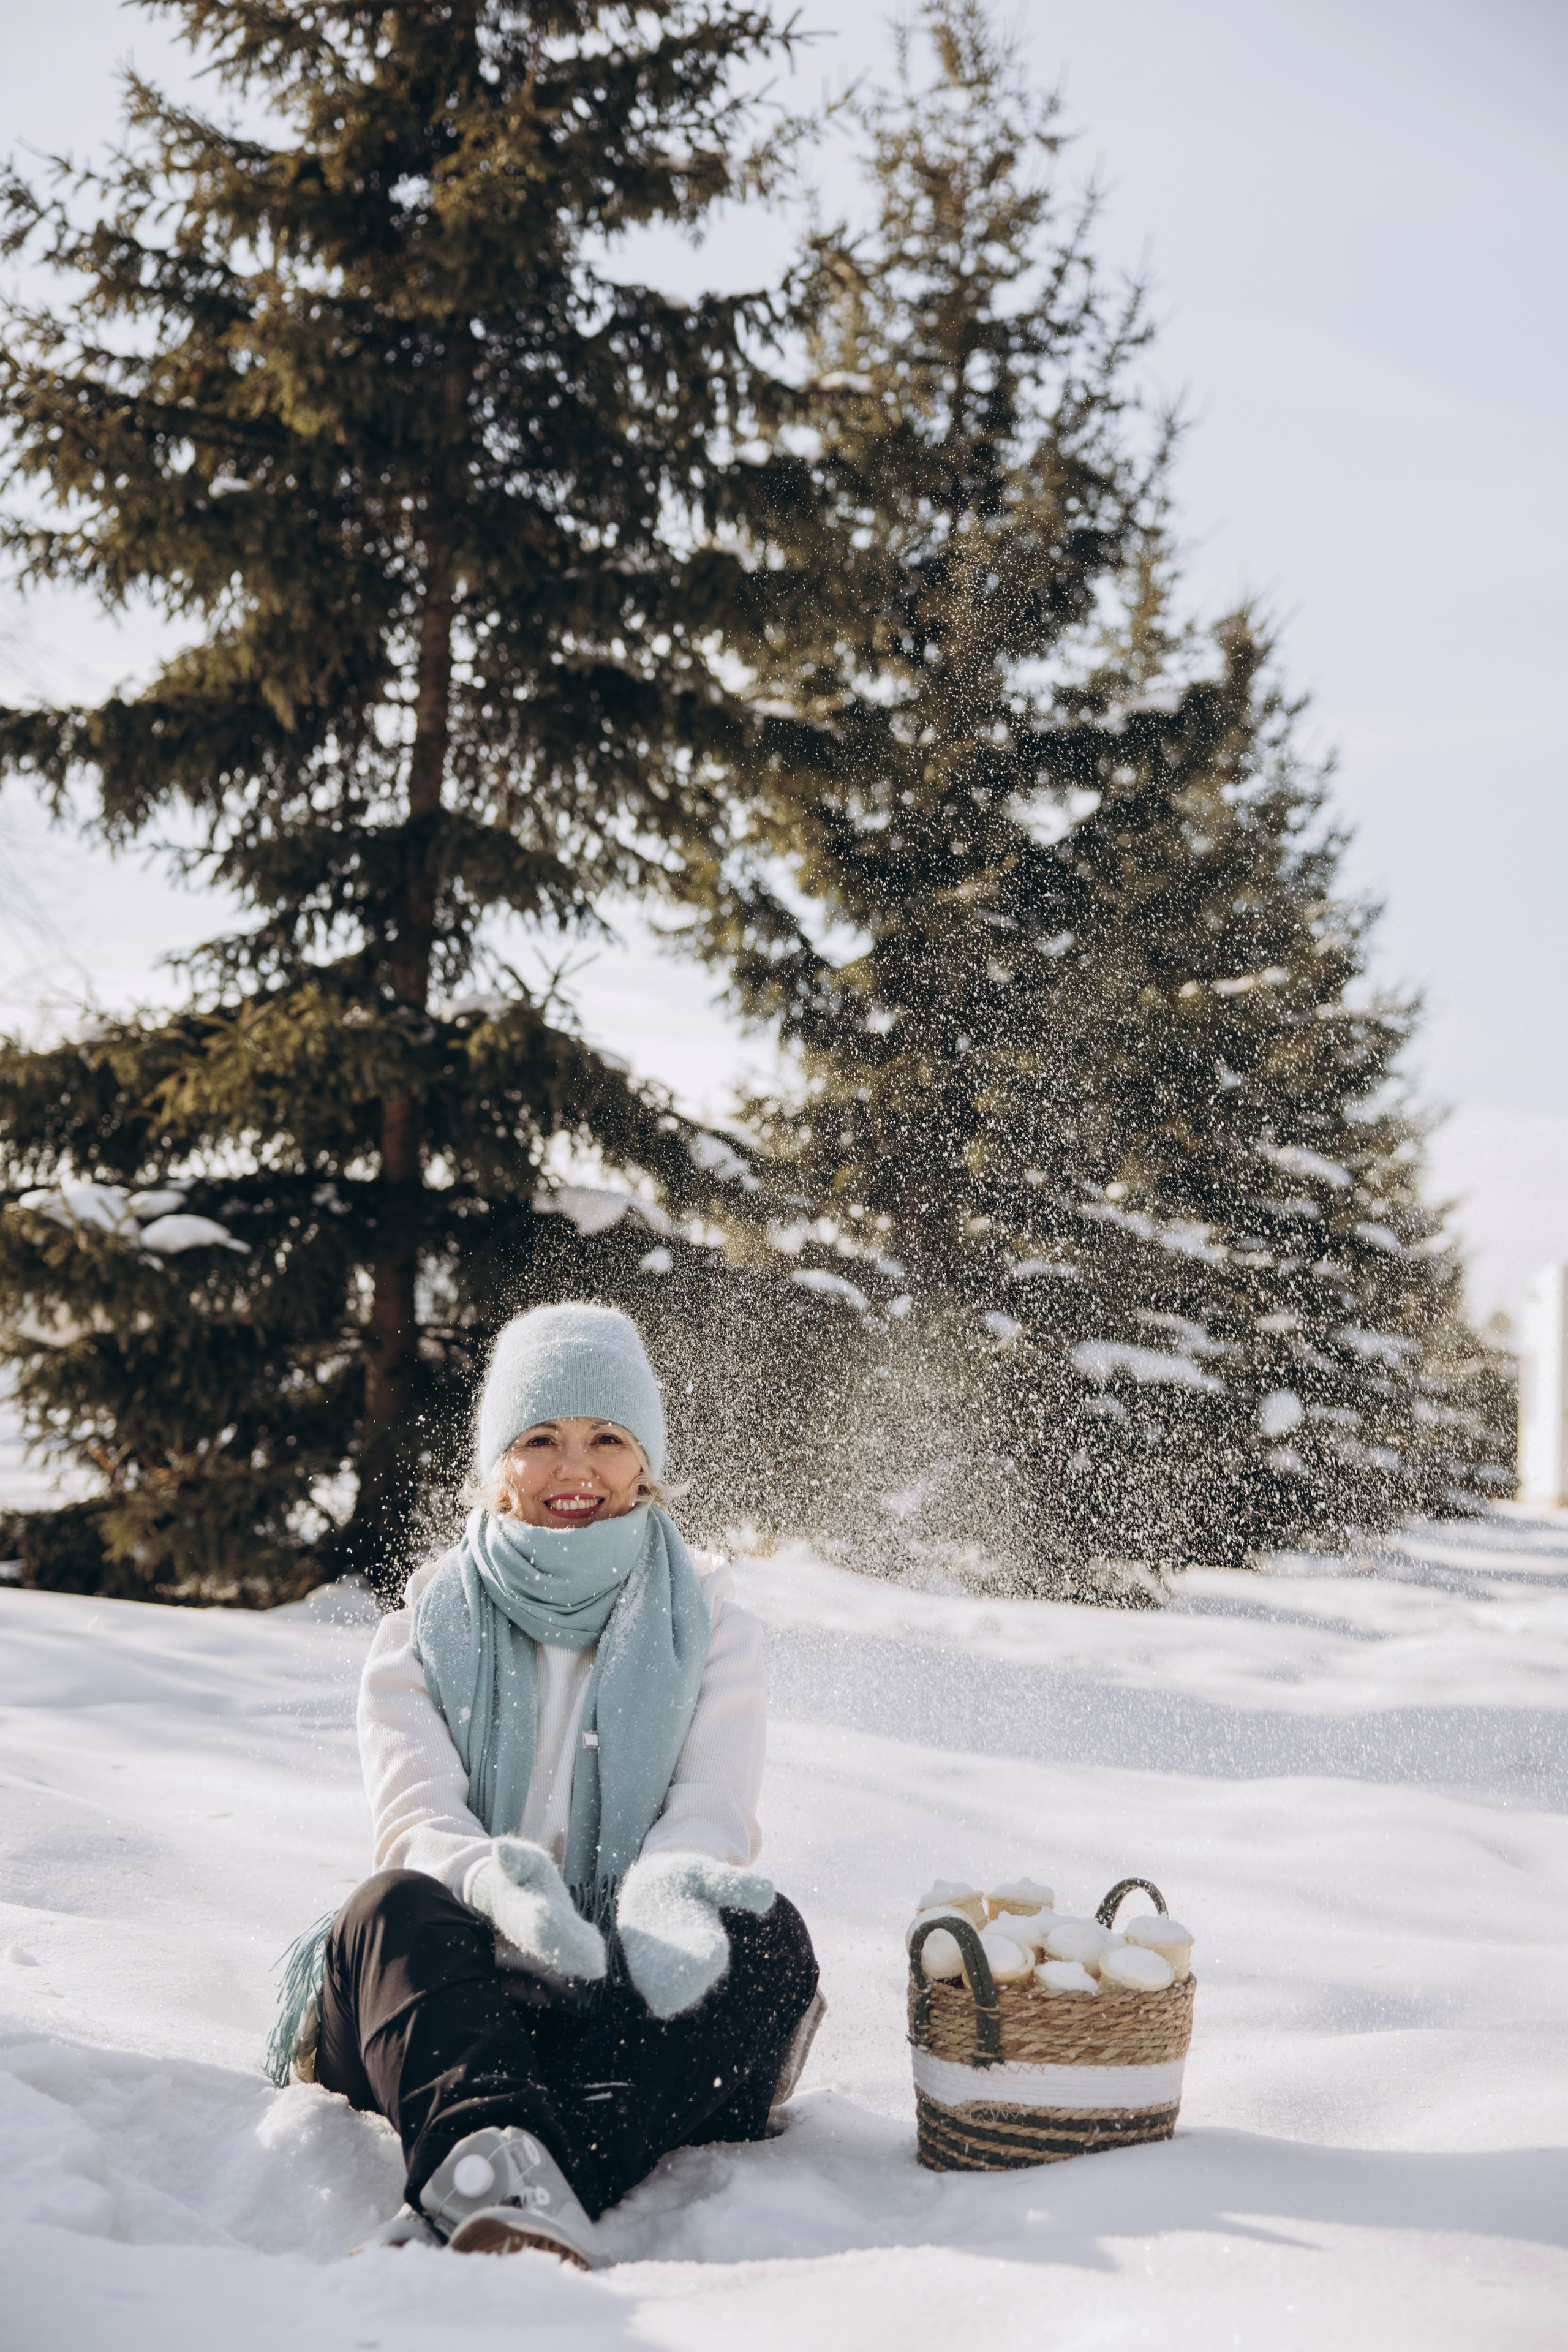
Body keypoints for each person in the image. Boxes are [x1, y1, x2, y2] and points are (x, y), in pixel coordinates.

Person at [311, 1302, 821, 2264]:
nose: (575, 1469)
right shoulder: (420, 1627)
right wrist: (495, 1883)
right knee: (389, 1909)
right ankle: (503, 2141)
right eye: (540, 1438)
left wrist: (668, 1891)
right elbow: (416, 1820)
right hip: (450, 2004)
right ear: (499, 1463)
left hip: (618, 2001)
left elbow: (710, 1811)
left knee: (762, 1934)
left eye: (606, 1439)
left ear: (645, 1465)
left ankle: (506, 2181)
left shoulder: (712, 1623)